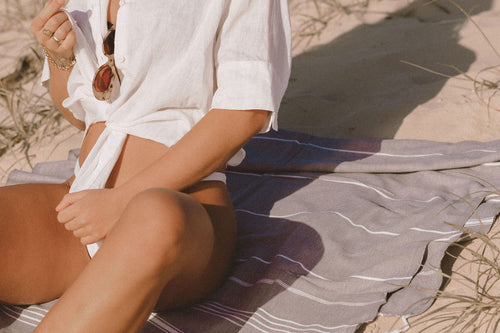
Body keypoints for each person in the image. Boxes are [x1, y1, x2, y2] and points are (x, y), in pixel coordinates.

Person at [0, 0, 291, 331]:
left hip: (180, 216)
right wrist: (61, 58)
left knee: (155, 215)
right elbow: (84, 117)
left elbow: (247, 111)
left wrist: (124, 199)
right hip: (81, 206)